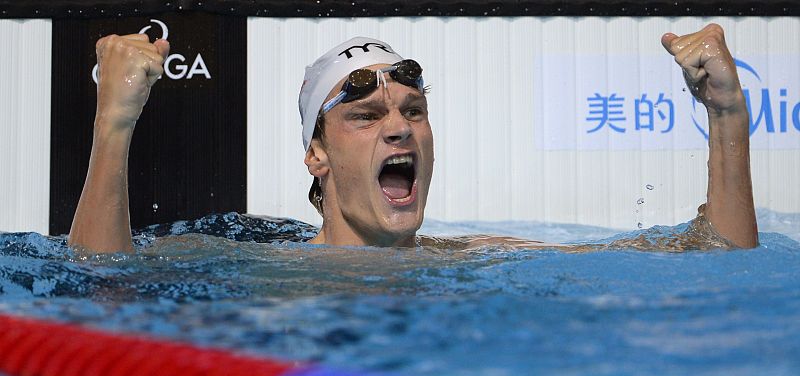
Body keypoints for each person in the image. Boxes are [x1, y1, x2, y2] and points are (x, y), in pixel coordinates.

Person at [68, 23, 758, 253]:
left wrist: (727, 119)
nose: (399, 125)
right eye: (366, 117)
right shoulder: (246, 267)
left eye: (414, 110)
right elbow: (101, 283)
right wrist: (114, 125)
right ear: (316, 153)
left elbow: (719, 259)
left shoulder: (478, 257)